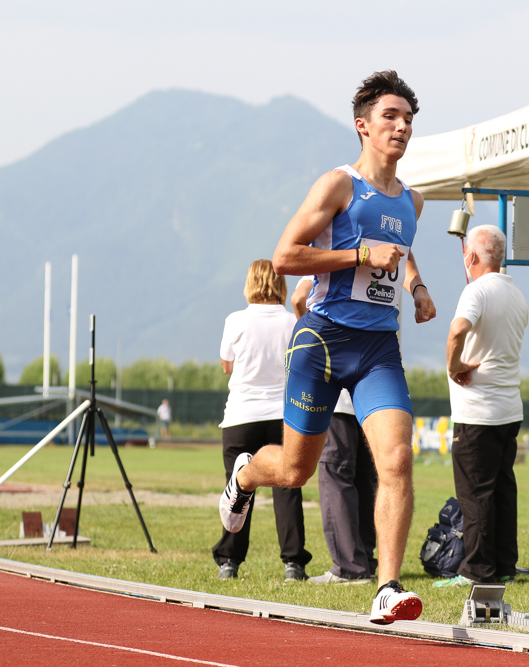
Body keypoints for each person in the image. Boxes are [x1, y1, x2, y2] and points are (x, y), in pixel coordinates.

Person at [219, 71, 436, 625]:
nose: (402, 126)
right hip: (322, 339)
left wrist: (416, 287)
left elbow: (401, 249)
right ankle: (245, 475)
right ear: (363, 125)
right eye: (390, 116)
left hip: (378, 348)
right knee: (295, 471)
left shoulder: (412, 201)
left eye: (408, 119)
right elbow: (285, 256)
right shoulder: (338, 186)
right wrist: (360, 255)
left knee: (397, 458)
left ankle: (386, 588)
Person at [436, 225, 528, 588]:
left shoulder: (476, 291)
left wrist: (454, 365)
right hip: (509, 408)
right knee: (503, 490)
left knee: (475, 493)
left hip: (477, 410)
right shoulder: (516, 293)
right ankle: (505, 565)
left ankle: (476, 570)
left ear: (471, 256)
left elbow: (458, 329)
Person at [212, 259, 312, 582]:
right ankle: (293, 563)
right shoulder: (292, 321)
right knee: (287, 487)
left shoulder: (235, 320)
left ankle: (229, 560)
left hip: (241, 415)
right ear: (280, 283)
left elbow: (227, 365)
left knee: (238, 487)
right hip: (283, 416)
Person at [292, 277, 377, 585]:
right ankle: (365, 558)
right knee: (365, 479)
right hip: (370, 394)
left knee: (336, 475)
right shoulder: (376, 268)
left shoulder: (328, 264)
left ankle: (349, 567)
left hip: (336, 394)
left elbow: (298, 299)